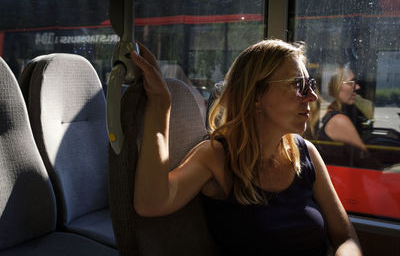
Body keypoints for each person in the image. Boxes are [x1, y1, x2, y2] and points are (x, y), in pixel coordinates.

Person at [131, 40, 362, 256]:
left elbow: (345, 236)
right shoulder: (216, 156)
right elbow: (151, 203)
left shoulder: (305, 153)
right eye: (298, 85)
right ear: (256, 95)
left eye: (310, 84)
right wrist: (161, 104)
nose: (312, 96)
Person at [317, 64, 368, 152]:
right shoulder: (338, 121)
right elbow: (366, 160)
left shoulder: (317, 114)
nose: (357, 87)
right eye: (351, 83)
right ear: (334, 87)